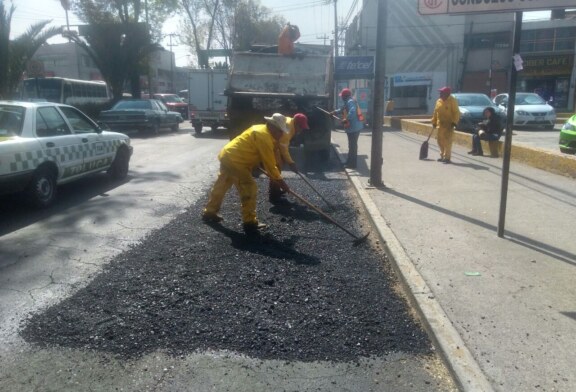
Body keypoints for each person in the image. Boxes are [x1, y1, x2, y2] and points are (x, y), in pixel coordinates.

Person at [202, 114, 291, 235]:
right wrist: (281, 183)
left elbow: (250, 148)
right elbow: (270, 166)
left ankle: (210, 212)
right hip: (236, 161)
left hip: (227, 155)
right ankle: (249, 222)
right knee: (249, 187)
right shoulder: (264, 137)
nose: (281, 134)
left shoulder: (258, 128)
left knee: (222, 184)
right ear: (273, 127)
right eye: (281, 131)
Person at [268, 113, 310, 204]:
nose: (301, 130)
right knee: (276, 168)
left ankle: (276, 189)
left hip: (275, 146)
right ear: (296, 124)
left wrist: (289, 162)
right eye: (301, 127)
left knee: (279, 165)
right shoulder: (287, 130)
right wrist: (291, 163)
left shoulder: (290, 121)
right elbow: (284, 149)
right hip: (270, 145)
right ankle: (274, 195)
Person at [332, 88, 364, 169]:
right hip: (353, 127)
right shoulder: (348, 102)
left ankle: (352, 164)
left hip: (354, 128)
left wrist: (346, 119)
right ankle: (349, 162)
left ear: (345, 96)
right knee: (351, 146)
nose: (341, 97)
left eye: (342, 96)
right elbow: (342, 109)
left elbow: (352, 112)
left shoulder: (350, 102)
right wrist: (334, 112)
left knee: (352, 146)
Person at [431, 86, 460, 164]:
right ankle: (442, 156)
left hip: (449, 125)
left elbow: (456, 112)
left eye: (442, 92)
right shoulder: (438, 101)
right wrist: (433, 121)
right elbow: (435, 112)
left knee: (448, 142)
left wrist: (454, 122)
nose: (440, 94)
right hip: (440, 125)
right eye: (440, 92)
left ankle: (447, 158)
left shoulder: (452, 101)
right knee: (440, 141)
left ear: (447, 93)